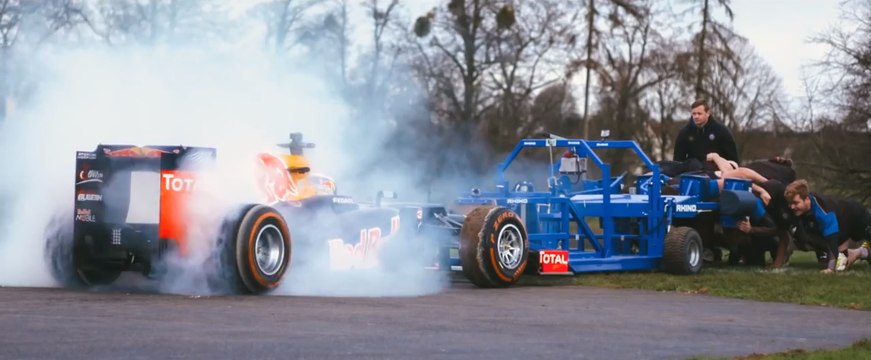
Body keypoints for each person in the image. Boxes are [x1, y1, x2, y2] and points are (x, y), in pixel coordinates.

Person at [783, 179, 871, 273]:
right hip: (842, 230)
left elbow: (832, 238)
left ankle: (860, 251)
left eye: (795, 203)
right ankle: (860, 253)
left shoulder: (823, 211)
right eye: (790, 203)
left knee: (836, 265)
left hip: (856, 216)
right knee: (841, 266)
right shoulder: (800, 210)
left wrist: (830, 268)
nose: (792, 207)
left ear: (807, 199)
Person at [673, 99, 739, 164]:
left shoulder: (721, 131)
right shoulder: (685, 133)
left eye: (699, 113)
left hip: (716, 170)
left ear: (708, 113)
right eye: (694, 114)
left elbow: (733, 160)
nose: (696, 116)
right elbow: (677, 160)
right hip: (693, 171)